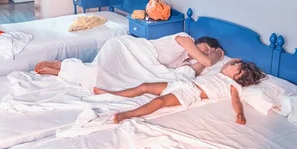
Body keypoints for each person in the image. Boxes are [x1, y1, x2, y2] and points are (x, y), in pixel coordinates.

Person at [94, 58, 266, 125]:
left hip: (190, 93)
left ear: (239, 74)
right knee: (145, 86)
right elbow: (228, 63)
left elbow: (235, 101)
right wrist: (236, 62)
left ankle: (127, 115)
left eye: (235, 66)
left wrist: (240, 114)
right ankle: (110, 94)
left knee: (158, 102)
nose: (231, 64)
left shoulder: (232, 86)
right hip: (184, 84)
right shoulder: (221, 72)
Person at [35, 33, 224, 76]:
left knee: (102, 75)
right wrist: (217, 55)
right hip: (131, 49)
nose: (202, 53)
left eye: (206, 51)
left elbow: (194, 70)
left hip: (139, 61)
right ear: (198, 41)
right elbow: (206, 62)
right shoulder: (184, 38)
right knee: (100, 71)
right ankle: (60, 65)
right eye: (204, 48)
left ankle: (61, 68)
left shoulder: (183, 61)